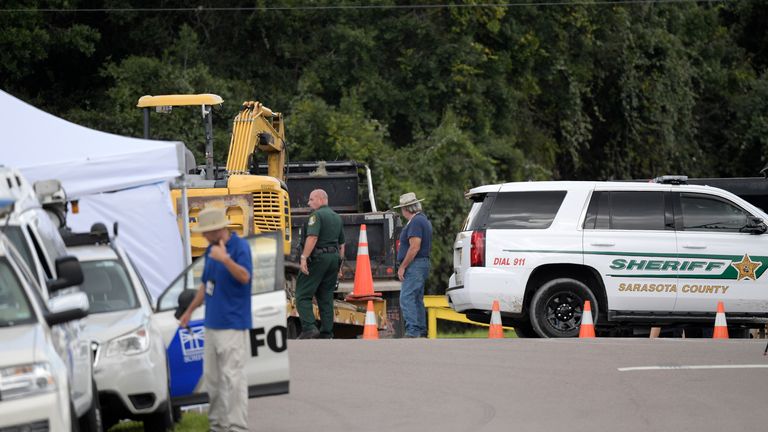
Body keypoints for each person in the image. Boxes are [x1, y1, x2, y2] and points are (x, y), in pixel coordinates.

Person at [178, 207, 253, 432]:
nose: (202, 236)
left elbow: (245, 276)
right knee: (213, 380)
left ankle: (237, 427)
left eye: (205, 231)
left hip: (232, 324)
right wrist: (189, 311)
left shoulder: (240, 247)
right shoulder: (212, 250)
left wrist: (226, 260)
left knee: (233, 378)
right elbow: (205, 285)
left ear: (216, 229)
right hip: (212, 324)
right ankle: (218, 425)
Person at [295, 189, 345, 339]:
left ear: (321, 199)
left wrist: (304, 257)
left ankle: (309, 327)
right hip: (333, 259)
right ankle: (327, 332)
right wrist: (339, 266)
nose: (309, 203)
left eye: (311, 199)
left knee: (302, 294)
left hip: (318, 259)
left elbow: (313, 237)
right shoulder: (337, 217)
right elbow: (342, 244)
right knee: (326, 296)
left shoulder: (316, 216)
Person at [394, 192, 432, 338]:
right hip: (422, 263)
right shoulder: (423, 220)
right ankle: (421, 330)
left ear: (406, 209)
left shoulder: (415, 222)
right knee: (416, 298)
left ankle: (413, 331)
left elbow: (414, 247)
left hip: (415, 264)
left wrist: (403, 266)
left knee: (406, 297)